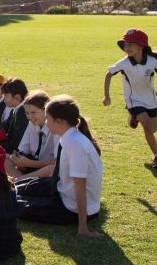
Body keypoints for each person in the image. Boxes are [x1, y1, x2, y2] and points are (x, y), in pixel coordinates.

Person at [14, 95, 103, 237]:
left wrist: (83, 227)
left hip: (71, 207)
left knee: (17, 206)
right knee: (21, 187)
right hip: (60, 189)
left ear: (60, 121)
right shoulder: (67, 136)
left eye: (48, 118)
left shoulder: (75, 144)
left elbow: (80, 187)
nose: (46, 122)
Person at [103, 28, 157, 169]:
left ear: (141, 46)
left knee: (152, 129)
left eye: (131, 44)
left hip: (150, 100)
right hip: (133, 100)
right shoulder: (124, 63)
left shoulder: (151, 62)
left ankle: (133, 117)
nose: (127, 47)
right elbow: (108, 74)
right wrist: (106, 95)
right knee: (147, 127)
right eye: (126, 44)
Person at [5, 91, 58, 181]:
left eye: (33, 113)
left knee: (51, 169)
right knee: (4, 160)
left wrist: (29, 163)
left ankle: (20, 180)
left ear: (46, 110)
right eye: (27, 113)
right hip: (32, 166)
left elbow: (57, 162)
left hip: (47, 169)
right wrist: (17, 157)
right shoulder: (32, 124)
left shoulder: (56, 128)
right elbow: (24, 149)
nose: (29, 117)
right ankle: (23, 182)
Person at [0, 77, 30, 154]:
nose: (3, 99)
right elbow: (2, 127)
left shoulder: (23, 113)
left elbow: (16, 144)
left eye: (6, 95)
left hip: (18, 154)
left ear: (17, 97)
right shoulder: (15, 110)